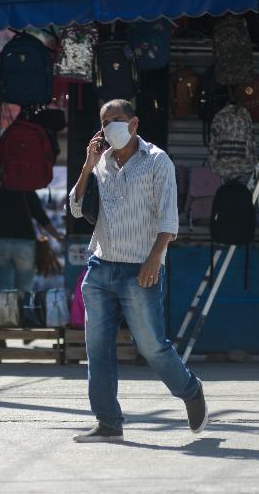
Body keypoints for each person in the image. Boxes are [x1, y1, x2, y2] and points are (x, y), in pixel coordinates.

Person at [68, 99, 207, 443]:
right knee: (98, 350)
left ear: (134, 123)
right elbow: (74, 207)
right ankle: (108, 422)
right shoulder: (100, 163)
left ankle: (190, 390)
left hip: (139, 269)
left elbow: (168, 219)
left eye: (117, 119)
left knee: (151, 347)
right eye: (104, 121)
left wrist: (154, 259)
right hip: (100, 268)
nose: (110, 126)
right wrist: (87, 165)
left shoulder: (157, 161)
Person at [0, 185, 63, 294]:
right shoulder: (27, 192)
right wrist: (58, 238)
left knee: (3, 290)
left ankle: (5, 310)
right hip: (25, 245)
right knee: (24, 289)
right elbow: (42, 218)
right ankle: (22, 310)